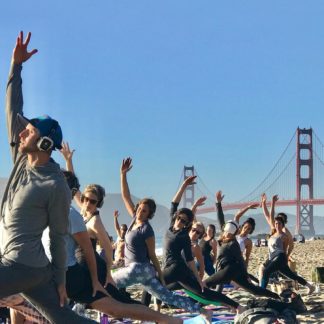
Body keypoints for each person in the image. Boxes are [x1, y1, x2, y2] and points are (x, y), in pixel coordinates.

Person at [0, 31, 95, 323]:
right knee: (65, 320)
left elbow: (57, 235)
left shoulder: (55, 184)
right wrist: (16, 66)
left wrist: (61, 280)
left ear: (44, 144)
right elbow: (13, 109)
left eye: (29, 131)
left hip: (24, 265)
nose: (21, 132)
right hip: (32, 270)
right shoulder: (21, 159)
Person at [112, 158, 212, 321]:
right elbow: (125, 196)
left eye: (144, 211)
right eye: (139, 209)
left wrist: (161, 276)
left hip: (139, 268)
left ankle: (112, 312)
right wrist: (123, 174)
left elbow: (152, 256)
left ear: (149, 214)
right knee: (168, 297)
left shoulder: (147, 230)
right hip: (142, 271)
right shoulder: (133, 220)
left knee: (107, 282)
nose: (140, 212)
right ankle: (204, 312)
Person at [142, 176, 244, 314]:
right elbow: (174, 203)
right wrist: (184, 185)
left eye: (184, 221)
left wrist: (199, 279)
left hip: (175, 268)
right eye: (179, 218)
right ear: (175, 217)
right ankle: (237, 306)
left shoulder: (184, 236)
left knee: (150, 283)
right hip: (179, 271)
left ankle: (143, 313)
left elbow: (190, 260)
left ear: (187, 224)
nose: (180, 221)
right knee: (203, 293)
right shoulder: (173, 225)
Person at [203, 191, 280, 300]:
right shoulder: (225, 234)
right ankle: (275, 295)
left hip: (232, 269)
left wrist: (246, 275)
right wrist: (218, 203)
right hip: (226, 268)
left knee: (207, 284)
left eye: (249, 228)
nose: (226, 233)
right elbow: (221, 217)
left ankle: (275, 295)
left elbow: (242, 258)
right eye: (245, 227)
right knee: (250, 290)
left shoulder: (236, 243)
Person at [260, 194, 315, 294]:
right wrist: (269, 203)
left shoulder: (285, 234)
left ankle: (261, 291)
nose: (276, 224)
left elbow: (289, 246)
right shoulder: (274, 231)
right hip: (273, 257)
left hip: (280, 257)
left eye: (279, 223)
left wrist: (287, 256)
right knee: (292, 276)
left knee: (266, 272)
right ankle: (310, 286)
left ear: (283, 223)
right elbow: (269, 216)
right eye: (276, 223)